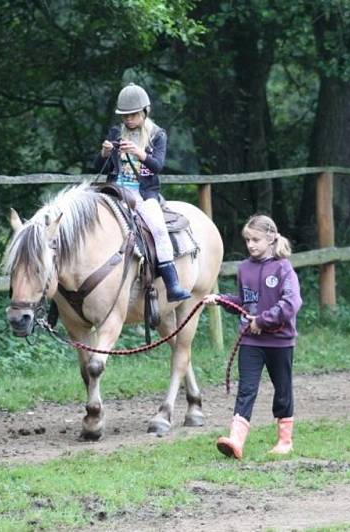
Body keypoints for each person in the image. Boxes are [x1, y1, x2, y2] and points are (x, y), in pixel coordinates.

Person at [203, 214, 303, 459]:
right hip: (250, 340)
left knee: (282, 388)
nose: (251, 245)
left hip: (280, 341)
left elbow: (291, 302)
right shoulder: (244, 269)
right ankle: (236, 440)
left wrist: (263, 320)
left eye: (256, 239)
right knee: (246, 388)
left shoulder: (283, 268)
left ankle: (284, 440)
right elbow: (244, 301)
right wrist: (221, 300)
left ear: (271, 238)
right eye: (247, 240)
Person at [95, 82, 190, 302]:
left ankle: (171, 282)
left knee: (157, 227)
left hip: (143, 192)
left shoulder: (157, 135)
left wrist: (139, 152)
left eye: (133, 115)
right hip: (114, 189)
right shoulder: (116, 132)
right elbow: (100, 166)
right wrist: (104, 152)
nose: (128, 119)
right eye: (124, 115)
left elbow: (156, 166)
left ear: (144, 112)